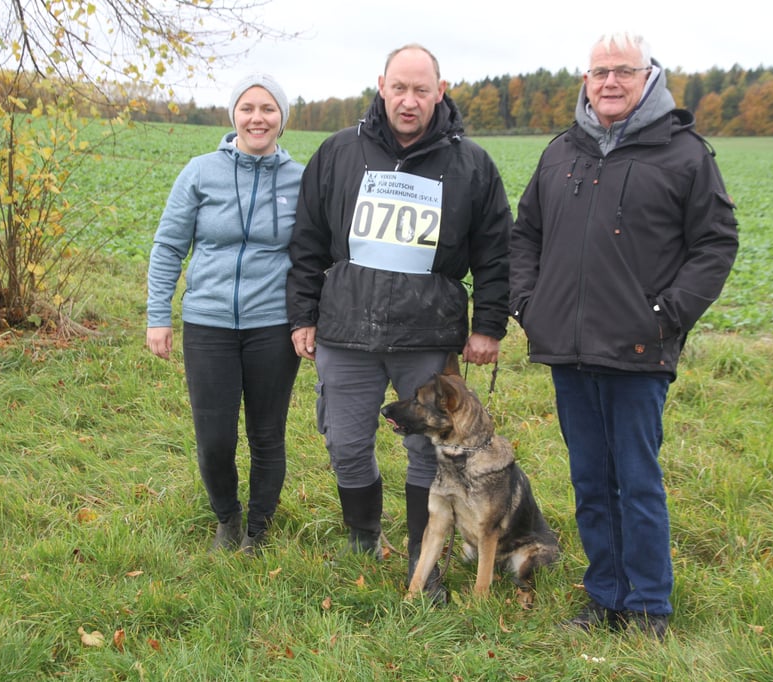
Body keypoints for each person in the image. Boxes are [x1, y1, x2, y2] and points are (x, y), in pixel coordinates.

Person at [509, 32, 739, 638]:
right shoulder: (562, 152)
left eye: (623, 72)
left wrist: (666, 316)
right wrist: (529, 305)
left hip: (639, 349)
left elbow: (715, 243)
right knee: (589, 480)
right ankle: (605, 597)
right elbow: (523, 235)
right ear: (585, 81)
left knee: (635, 481)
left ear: (649, 79)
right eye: (599, 71)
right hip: (567, 346)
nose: (610, 82)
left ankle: (649, 609)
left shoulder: (684, 154)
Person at [287, 44, 511, 598]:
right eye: (400, 89)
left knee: (426, 449)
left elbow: (495, 252)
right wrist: (302, 315)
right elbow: (308, 239)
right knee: (344, 442)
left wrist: (488, 325)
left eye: (421, 90)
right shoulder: (339, 152)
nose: (409, 102)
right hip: (345, 329)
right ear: (382, 85)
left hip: (427, 334)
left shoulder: (472, 165)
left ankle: (421, 554)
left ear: (441, 90)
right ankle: (363, 536)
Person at [146, 73, 303, 555]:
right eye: (248, 107)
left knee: (266, 432)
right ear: (233, 114)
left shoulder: (301, 179)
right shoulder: (200, 172)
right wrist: (159, 315)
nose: (258, 117)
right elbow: (169, 245)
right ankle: (227, 518)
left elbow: (316, 254)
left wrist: (312, 318)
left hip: (272, 326)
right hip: (208, 323)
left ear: (281, 118)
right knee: (214, 437)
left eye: (269, 108)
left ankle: (258, 526)